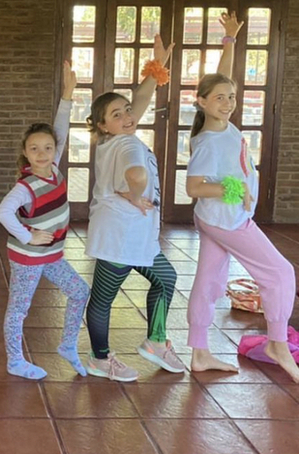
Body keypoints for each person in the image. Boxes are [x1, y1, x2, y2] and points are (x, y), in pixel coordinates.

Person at [185, 12, 299, 382]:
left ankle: (200, 352)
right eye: (220, 99)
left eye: (232, 97)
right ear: (202, 102)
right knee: (280, 272)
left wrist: (230, 40)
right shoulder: (209, 141)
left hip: (217, 218)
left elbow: (222, 79)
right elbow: (193, 187)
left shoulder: (222, 124)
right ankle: (277, 342)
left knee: (208, 281)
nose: (228, 102)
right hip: (227, 220)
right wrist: (237, 189)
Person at [84, 35, 185, 381]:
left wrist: (157, 69)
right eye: (118, 114)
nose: (128, 116)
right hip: (119, 237)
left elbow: (139, 101)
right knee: (103, 299)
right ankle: (100, 359)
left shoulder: (112, 137)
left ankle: (156, 341)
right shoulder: (127, 144)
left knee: (166, 278)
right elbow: (137, 173)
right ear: (103, 124)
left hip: (136, 237)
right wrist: (134, 192)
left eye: (127, 111)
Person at [0, 62, 90, 379]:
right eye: (34, 148)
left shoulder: (55, 168)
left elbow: (60, 128)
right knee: (19, 309)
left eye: (48, 147)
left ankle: (67, 345)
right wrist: (28, 236)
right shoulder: (25, 186)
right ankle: (14, 360)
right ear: (25, 152)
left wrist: (68, 94)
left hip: (51, 255)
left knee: (79, 291)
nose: (42, 153)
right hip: (28, 257)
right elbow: (3, 212)